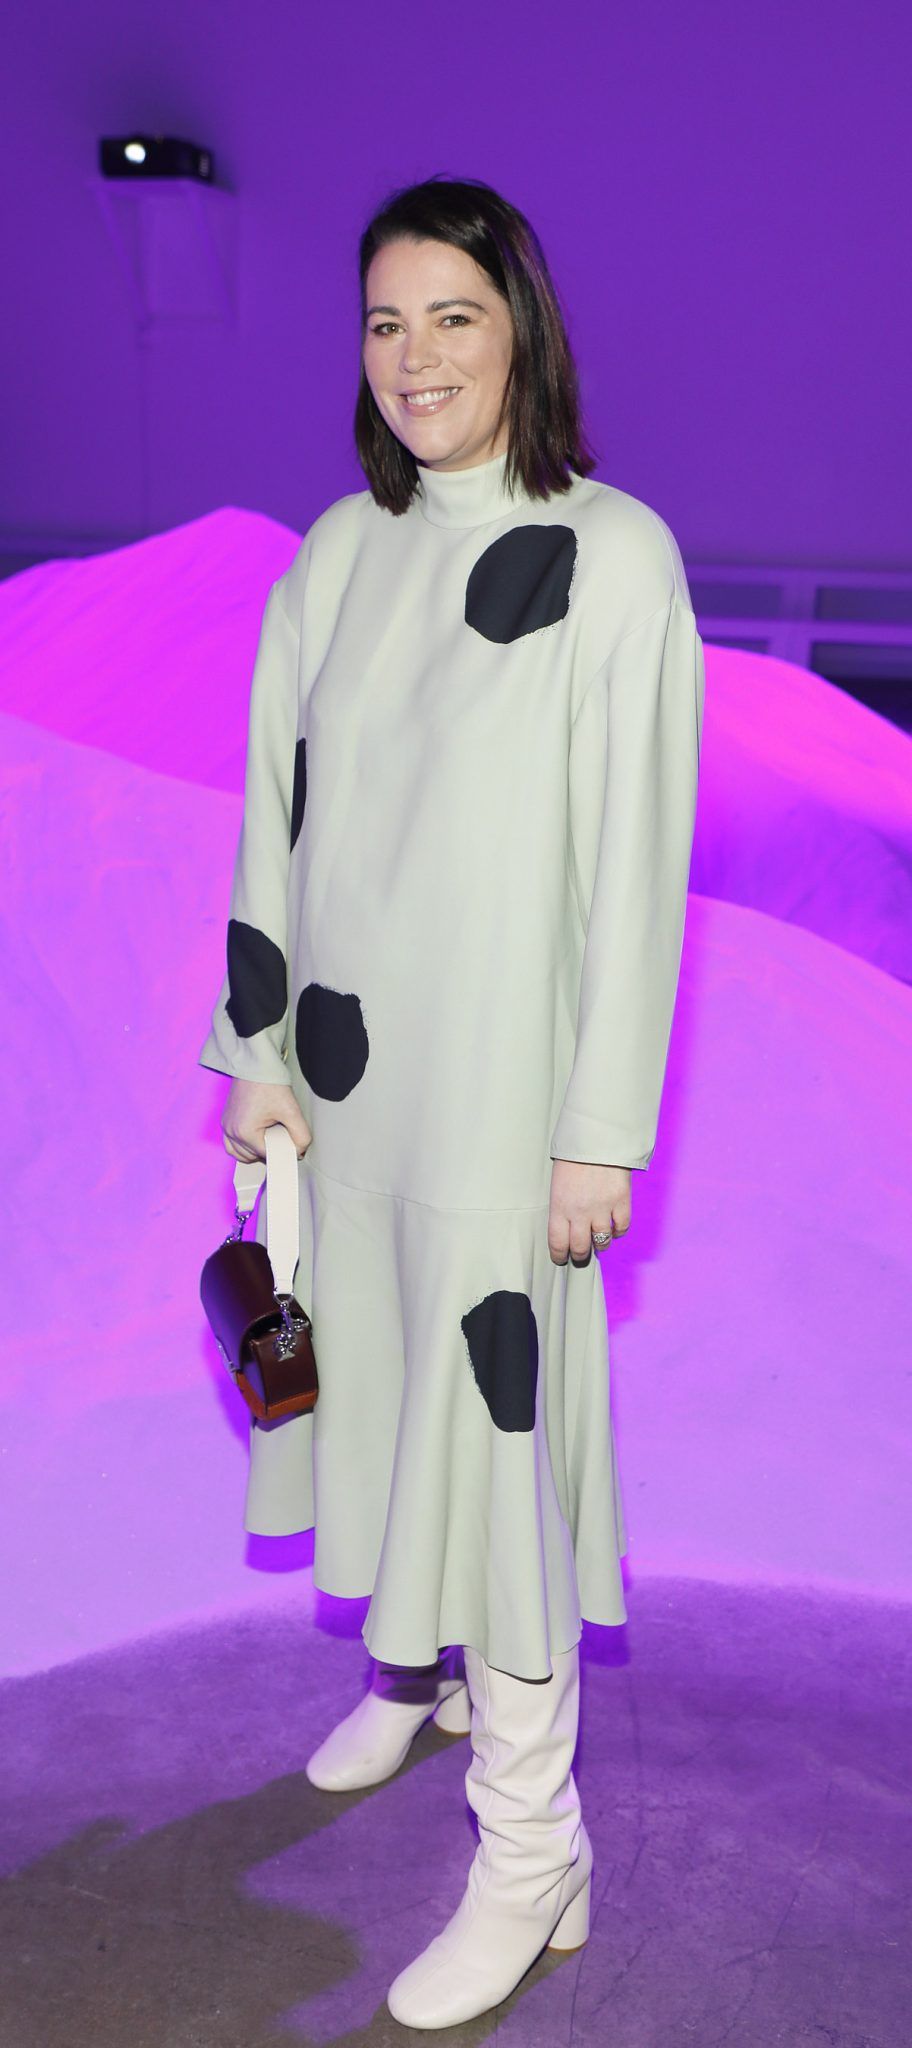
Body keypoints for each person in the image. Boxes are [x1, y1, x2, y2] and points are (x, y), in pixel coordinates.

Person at [198, 173, 705, 2029]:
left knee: (495, 1455)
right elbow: (275, 810)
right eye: (384, 322)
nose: (414, 357)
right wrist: (255, 1052)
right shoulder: (338, 552)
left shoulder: (613, 556)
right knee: (380, 1392)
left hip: (504, 1099)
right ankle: (410, 1674)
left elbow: (638, 868)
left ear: (524, 333)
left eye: (454, 318)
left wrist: (599, 1131)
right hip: (352, 1092)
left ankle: (530, 1840)